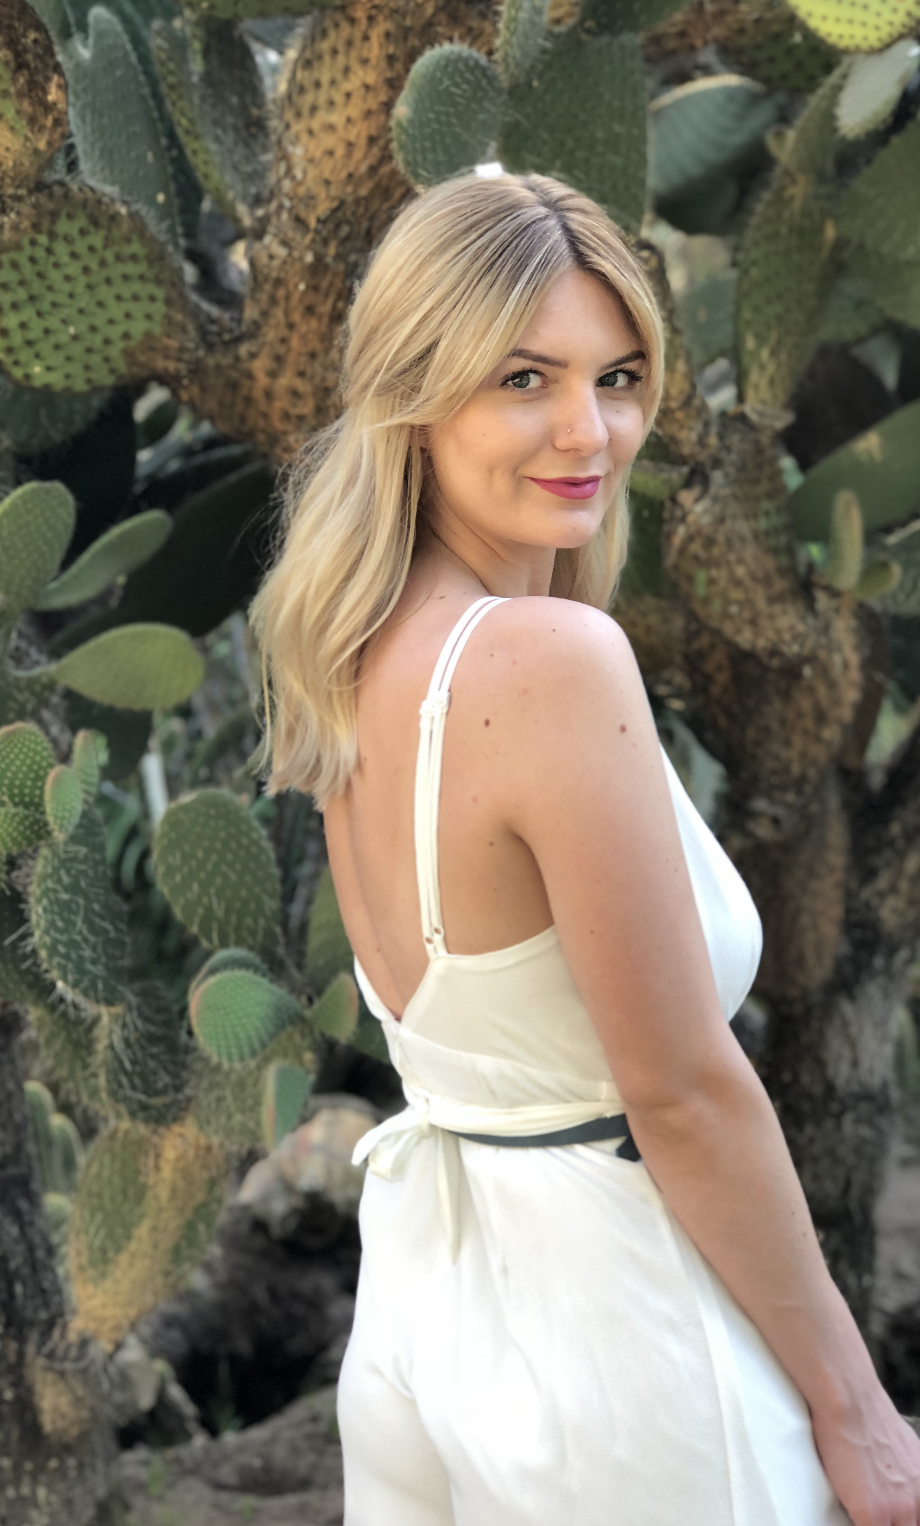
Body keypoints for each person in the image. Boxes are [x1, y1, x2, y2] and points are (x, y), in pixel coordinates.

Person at [248, 170, 920, 1526]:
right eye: (521, 378)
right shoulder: (544, 660)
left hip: (441, 1319)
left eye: (616, 375)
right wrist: (857, 1407)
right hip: (627, 1345)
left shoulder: (358, 648)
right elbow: (678, 1086)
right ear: (413, 389)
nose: (589, 430)